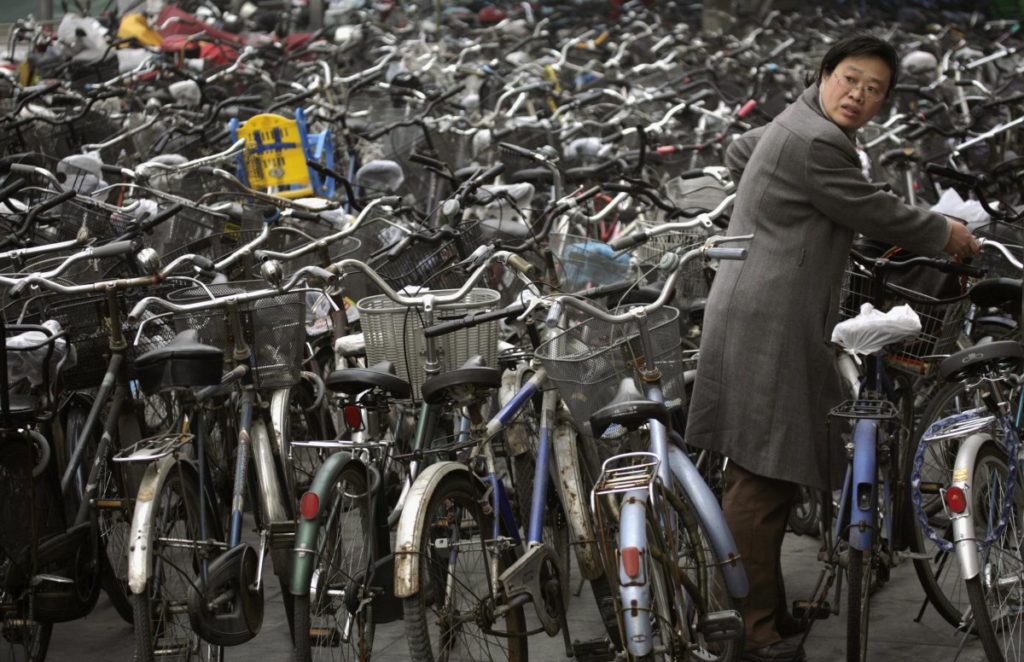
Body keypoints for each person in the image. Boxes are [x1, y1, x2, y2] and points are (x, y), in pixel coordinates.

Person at [684, 34, 978, 662]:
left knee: (772, 468)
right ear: (824, 74)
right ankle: (748, 633)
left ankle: (767, 612)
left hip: (759, 305)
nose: (859, 96)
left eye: (874, 90)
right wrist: (946, 232)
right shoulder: (817, 141)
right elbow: (872, 209)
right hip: (772, 319)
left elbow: (781, 173)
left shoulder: (798, 122)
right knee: (761, 478)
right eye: (850, 79)